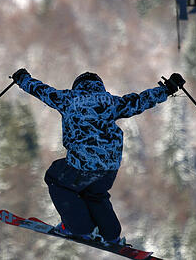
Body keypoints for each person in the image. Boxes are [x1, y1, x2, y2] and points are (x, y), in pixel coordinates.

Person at [10, 68, 185, 247]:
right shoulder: (110, 102)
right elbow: (140, 101)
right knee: (95, 193)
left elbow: (41, 90)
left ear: (77, 86)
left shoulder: (68, 99)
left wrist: (22, 79)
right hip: (109, 165)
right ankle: (111, 235)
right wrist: (167, 89)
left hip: (82, 163)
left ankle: (80, 229)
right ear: (99, 87)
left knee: (55, 178)